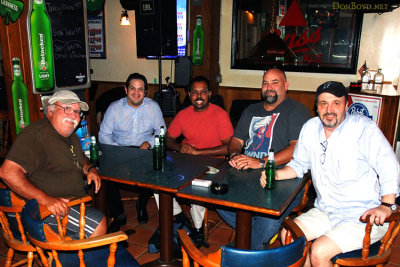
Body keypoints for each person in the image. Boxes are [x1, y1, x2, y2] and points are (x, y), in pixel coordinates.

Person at [261, 81, 400, 266]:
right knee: (288, 235)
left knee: (319, 251)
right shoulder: (310, 128)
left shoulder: (362, 128)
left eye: (336, 103)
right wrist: (276, 174)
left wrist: (386, 205)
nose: (329, 109)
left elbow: (388, 164)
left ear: (346, 105)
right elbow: (299, 164)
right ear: (316, 107)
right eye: (323, 103)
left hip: (363, 216)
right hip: (326, 211)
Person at [217, 67, 311, 250]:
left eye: (275, 83)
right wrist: (236, 155)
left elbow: (296, 148)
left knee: (266, 218)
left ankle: (248, 247)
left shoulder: (296, 110)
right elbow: (236, 140)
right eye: (265, 83)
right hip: (247, 172)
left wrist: (261, 162)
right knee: (218, 196)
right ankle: (251, 234)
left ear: (286, 86)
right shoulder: (251, 110)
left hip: (283, 175)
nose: (269, 87)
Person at [0, 90, 106, 239]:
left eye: (77, 112)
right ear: (50, 110)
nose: (74, 115)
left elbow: (80, 158)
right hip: (41, 210)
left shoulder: (72, 136)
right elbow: (7, 172)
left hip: (69, 202)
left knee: (94, 216)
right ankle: (76, 260)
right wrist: (46, 200)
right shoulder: (36, 135)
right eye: (67, 109)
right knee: (97, 223)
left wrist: (90, 168)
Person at [163, 75, 233, 246]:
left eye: (203, 92)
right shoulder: (183, 115)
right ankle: (180, 217)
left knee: (197, 187)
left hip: (215, 165)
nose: (199, 96)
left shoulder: (220, 114)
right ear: (188, 94)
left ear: (209, 94)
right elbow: (168, 139)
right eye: (194, 92)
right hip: (186, 163)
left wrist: (198, 152)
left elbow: (230, 147)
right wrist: (180, 148)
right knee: (157, 183)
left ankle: (198, 229)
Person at [99, 73, 166, 229]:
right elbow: (103, 135)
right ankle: (118, 213)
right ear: (125, 89)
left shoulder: (153, 107)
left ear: (146, 91)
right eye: (133, 88)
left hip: (143, 149)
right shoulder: (114, 108)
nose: (136, 93)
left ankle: (141, 205)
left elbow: (161, 130)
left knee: (154, 170)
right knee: (105, 173)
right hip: (118, 148)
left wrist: (148, 143)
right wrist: (117, 151)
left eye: (140, 89)